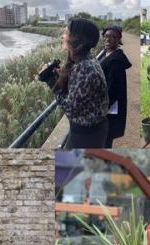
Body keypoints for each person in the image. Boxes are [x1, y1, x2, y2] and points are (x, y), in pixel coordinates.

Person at [39, 18, 109, 148]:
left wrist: (50, 80)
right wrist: (59, 76)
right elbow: (78, 90)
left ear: (76, 39)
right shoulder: (85, 60)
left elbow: (71, 109)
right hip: (90, 129)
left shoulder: (85, 68)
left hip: (88, 134)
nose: (62, 36)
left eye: (66, 33)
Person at [97, 25, 132, 148]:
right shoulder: (105, 54)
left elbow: (113, 89)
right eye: (106, 36)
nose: (108, 39)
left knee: (105, 140)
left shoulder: (116, 61)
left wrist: (101, 108)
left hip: (109, 107)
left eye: (113, 37)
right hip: (106, 105)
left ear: (118, 40)